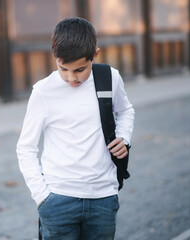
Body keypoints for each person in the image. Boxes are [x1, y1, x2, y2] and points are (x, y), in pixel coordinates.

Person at [16, 17, 135, 240]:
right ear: (55, 59)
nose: (72, 78)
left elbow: (126, 111)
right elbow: (25, 148)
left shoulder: (109, 78)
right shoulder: (43, 91)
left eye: (80, 69)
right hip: (58, 200)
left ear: (95, 55)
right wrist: (42, 197)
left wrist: (123, 137)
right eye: (64, 69)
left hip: (103, 197)